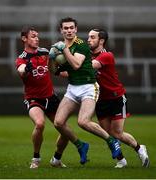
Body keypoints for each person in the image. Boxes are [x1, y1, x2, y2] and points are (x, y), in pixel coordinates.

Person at [49, 17, 122, 164]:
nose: (69, 30)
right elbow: (55, 71)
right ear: (61, 30)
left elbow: (76, 65)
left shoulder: (81, 44)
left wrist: (64, 50)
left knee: (83, 122)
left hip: (89, 87)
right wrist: (51, 58)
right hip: (73, 88)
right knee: (58, 122)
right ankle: (81, 145)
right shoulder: (61, 46)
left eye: (71, 28)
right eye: (66, 28)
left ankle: (111, 140)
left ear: (76, 29)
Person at [87, 28, 150, 168]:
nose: (88, 39)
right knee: (107, 135)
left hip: (116, 98)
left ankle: (139, 148)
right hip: (100, 100)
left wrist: (69, 57)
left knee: (117, 133)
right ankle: (121, 160)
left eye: (92, 37)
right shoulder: (87, 54)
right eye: (88, 37)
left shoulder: (106, 55)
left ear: (101, 40)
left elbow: (90, 66)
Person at [15, 26, 70, 169]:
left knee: (65, 131)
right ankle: (36, 158)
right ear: (24, 39)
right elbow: (21, 71)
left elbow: (55, 71)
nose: (37, 38)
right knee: (39, 124)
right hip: (34, 99)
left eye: (37, 36)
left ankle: (56, 159)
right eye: (33, 36)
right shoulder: (22, 59)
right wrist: (26, 68)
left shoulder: (45, 52)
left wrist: (73, 74)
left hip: (50, 97)